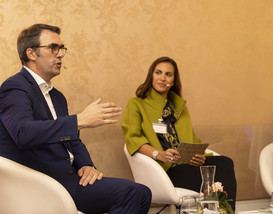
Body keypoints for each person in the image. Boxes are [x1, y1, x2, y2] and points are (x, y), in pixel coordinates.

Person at [0, 23, 151, 214]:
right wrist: (79, 120)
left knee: (143, 193)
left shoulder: (57, 96)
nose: (60, 54)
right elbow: (23, 133)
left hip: (68, 177)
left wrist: (86, 164)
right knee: (132, 193)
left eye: (61, 48)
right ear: (31, 53)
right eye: (53, 48)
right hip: (44, 184)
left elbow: (71, 138)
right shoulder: (15, 87)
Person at [122, 56, 237, 210]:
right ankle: (213, 211)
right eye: (158, 72)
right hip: (164, 171)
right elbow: (133, 139)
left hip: (187, 165)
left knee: (225, 163)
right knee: (211, 178)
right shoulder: (137, 104)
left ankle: (223, 212)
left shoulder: (180, 107)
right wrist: (159, 154)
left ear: (174, 81)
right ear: (151, 76)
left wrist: (199, 157)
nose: (162, 78)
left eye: (168, 74)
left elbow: (193, 140)